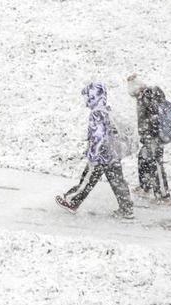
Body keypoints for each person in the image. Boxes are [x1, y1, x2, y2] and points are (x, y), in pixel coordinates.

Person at [56, 82, 134, 219]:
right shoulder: (107, 110)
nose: (85, 100)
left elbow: (98, 136)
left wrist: (93, 154)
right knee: (118, 181)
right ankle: (127, 209)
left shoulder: (96, 113)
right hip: (112, 153)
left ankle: (72, 201)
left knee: (87, 179)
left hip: (101, 154)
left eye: (86, 96)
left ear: (93, 96)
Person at [126, 73, 171, 203]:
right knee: (143, 158)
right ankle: (145, 187)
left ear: (136, 89)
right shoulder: (143, 97)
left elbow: (155, 118)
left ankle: (164, 196)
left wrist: (153, 136)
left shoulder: (148, 96)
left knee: (156, 164)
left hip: (154, 138)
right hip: (149, 138)